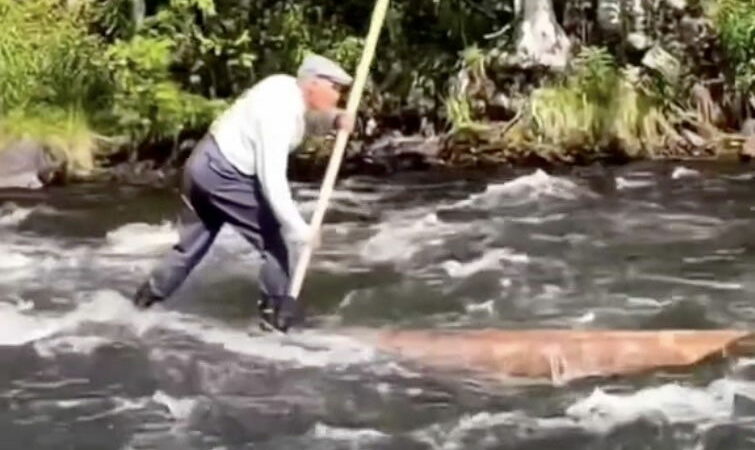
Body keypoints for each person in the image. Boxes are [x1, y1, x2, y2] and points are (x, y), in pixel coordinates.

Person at [131, 54, 354, 332]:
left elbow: (307, 119)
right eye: (335, 89)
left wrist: (334, 120)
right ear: (313, 85)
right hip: (223, 175)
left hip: (202, 164)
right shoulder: (278, 114)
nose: (339, 96)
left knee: (190, 247)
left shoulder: (284, 86)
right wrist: (300, 228)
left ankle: (141, 303)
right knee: (276, 240)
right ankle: (274, 319)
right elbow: (272, 179)